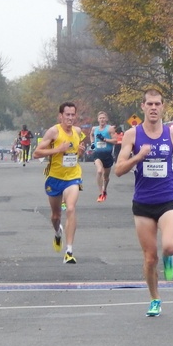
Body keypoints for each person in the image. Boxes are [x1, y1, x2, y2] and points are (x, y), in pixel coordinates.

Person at [114, 88, 173, 317]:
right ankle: (155, 298)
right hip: (143, 203)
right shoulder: (132, 135)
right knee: (150, 258)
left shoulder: (172, 134)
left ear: (163, 107)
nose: (154, 108)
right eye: (149, 104)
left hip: (168, 200)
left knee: (169, 246)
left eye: (157, 104)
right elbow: (119, 169)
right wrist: (138, 156)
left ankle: (170, 257)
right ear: (142, 107)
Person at [33, 102, 86, 264]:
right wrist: (57, 150)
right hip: (55, 178)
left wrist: (80, 151)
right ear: (60, 116)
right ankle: (57, 233)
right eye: (67, 115)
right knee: (56, 216)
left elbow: (78, 149)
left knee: (70, 208)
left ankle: (69, 251)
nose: (70, 118)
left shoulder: (77, 131)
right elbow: (36, 153)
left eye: (73, 115)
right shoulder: (54, 132)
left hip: (73, 177)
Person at [88, 111, 115, 202]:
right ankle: (100, 193)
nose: (102, 119)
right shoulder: (94, 129)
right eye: (100, 118)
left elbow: (115, 141)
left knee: (106, 177)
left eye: (103, 118)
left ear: (106, 119)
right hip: (97, 154)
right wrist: (92, 143)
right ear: (98, 119)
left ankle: (105, 190)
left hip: (107, 155)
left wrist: (104, 139)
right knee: (99, 171)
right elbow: (91, 135)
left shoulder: (110, 129)